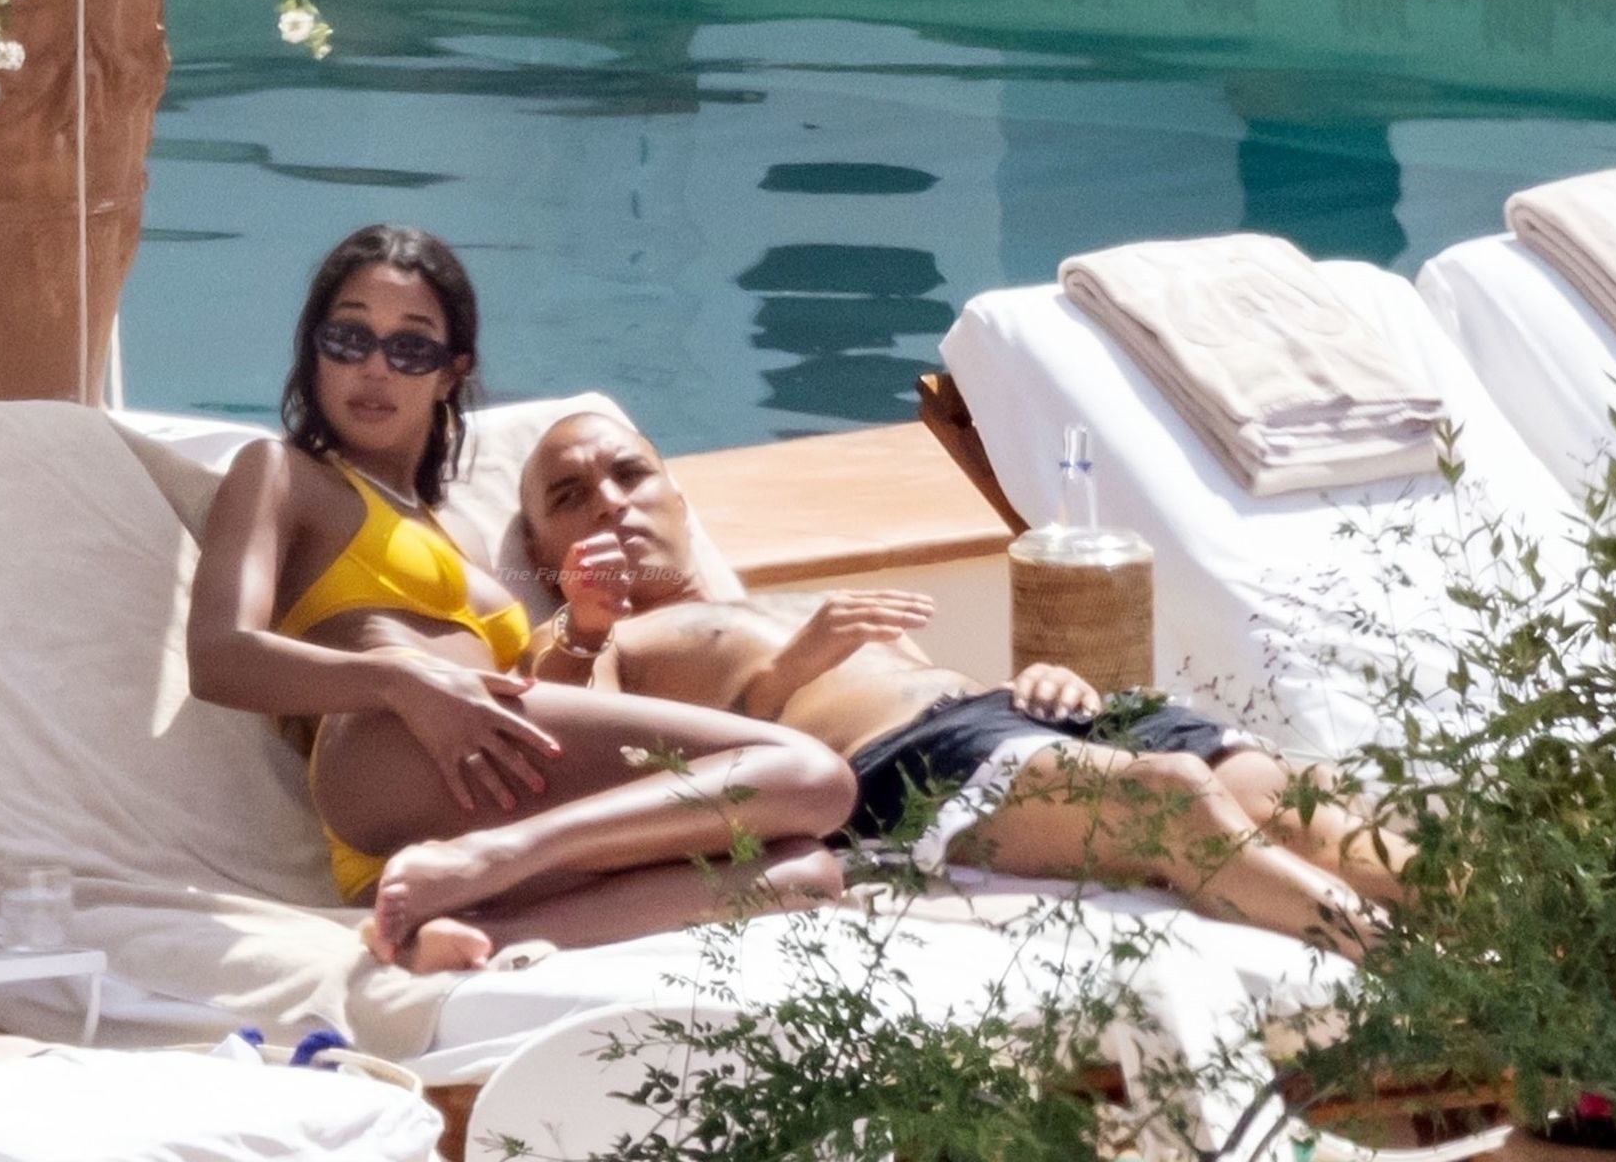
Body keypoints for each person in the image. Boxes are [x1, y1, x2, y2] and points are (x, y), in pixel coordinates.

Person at [186, 226, 859, 974]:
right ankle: (495, 857)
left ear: (452, 372)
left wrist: (581, 638)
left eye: (409, 348)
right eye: (348, 338)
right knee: (813, 778)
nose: (375, 368)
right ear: (315, 349)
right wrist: (402, 681)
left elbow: (536, 706)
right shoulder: (285, 475)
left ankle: (473, 930)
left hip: (452, 813)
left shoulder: (450, 534)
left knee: (802, 868)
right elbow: (218, 657)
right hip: (386, 745)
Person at [512, 412, 1420, 959]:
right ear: (544, 552)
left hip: (1007, 718)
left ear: (680, 499)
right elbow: (607, 770)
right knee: (1172, 801)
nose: (610, 501)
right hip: (904, 768)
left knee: (1305, 805)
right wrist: (594, 629)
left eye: (630, 474)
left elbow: (928, 685)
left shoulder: (777, 600)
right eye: (570, 497)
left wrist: (1037, 681)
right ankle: (1425, 985)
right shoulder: (596, 642)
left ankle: (1497, 934)